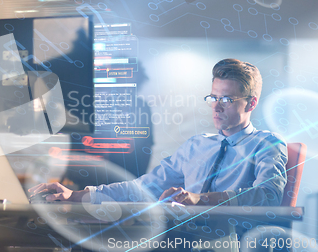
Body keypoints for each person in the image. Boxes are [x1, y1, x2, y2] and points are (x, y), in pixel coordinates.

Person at [29, 59, 288, 206]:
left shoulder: (267, 143)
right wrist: (75, 195)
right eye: (213, 97)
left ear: (251, 103)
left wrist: (200, 198)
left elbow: (268, 195)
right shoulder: (196, 145)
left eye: (227, 100)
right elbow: (145, 187)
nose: (216, 107)